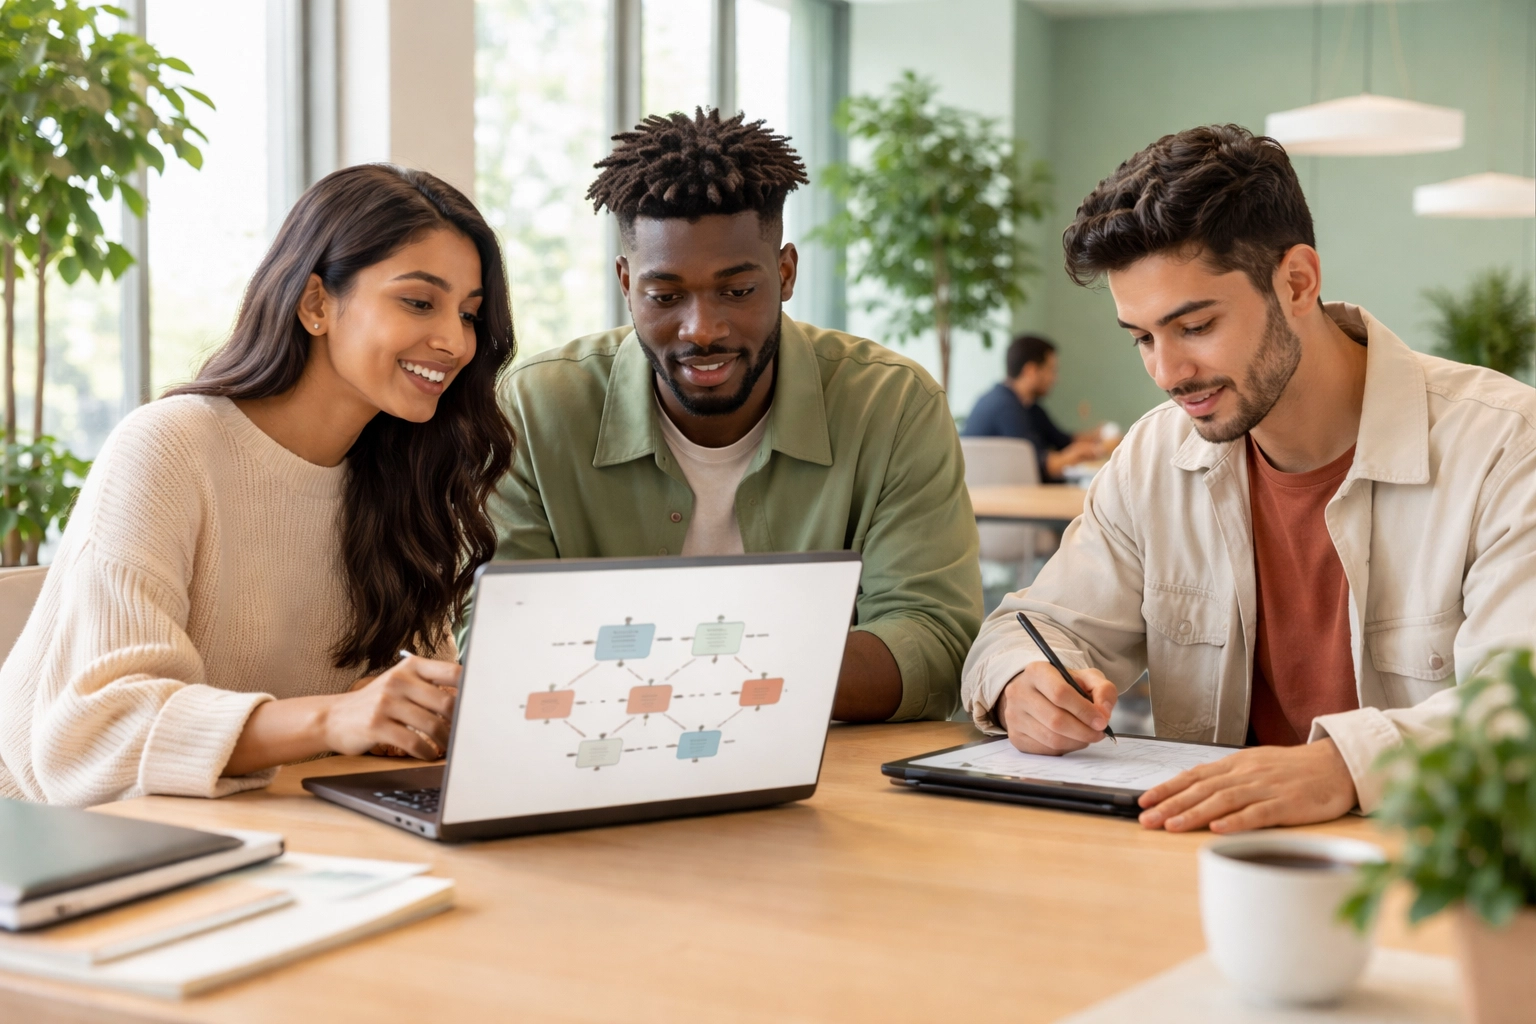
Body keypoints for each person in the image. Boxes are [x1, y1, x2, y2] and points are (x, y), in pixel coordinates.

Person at [961, 124, 1536, 832]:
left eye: (1195, 326)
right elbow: (1030, 626)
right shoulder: (1151, 459)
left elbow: (1523, 705)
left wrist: (1343, 768)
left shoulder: (1509, 447)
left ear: (1297, 282)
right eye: (1143, 338)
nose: (1167, 374)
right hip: (1201, 864)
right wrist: (1022, 683)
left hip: (1425, 872)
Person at [0, 165, 516, 806]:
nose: (454, 342)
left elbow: (393, 713)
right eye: (418, 301)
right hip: (56, 851)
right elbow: (99, 735)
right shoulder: (170, 447)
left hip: (274, 833)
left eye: (469, 314)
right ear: (316, 303)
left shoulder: (405, 475)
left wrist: (409, 716)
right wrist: (331, 718)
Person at [493, 109, 982, 723]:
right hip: (593, 755)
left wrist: (695, 676)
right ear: (626, 283)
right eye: (665, 296)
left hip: (825, 781)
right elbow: (500, 640)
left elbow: (935, 640)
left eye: (738, 290)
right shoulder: (536, 410)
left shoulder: (894, 405)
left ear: (784, 274)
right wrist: (751, 668)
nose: (703, 329)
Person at [963, 333, 1103, 481]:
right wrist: (1086, 452)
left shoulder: (1029, 407)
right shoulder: (1005, 407)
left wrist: (1097, 438)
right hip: (998, 498)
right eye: (1051, 370)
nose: (1055, 379)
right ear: (1030, 370)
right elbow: (1040, 463)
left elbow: (1062, 440)